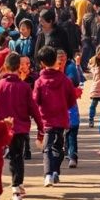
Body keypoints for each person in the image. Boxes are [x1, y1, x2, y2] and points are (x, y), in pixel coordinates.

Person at [0, 52, 43, 200]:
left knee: (6, 157)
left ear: (6, 66)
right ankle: (16, 187)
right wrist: (41, 127)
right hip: (20, 128)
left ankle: (14, 185)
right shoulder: (24, 87)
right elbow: (33, 108)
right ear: (18, 68)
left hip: (1, 127)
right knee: (17, 158)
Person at [33, 45, 77, 187]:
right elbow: (71, 101)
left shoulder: (39, 82)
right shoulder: (65, 80)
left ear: (42, 63)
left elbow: (35, 101)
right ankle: (55, 171)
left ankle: (48, 174)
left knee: (47, 148)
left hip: (46, 120)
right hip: (62, 119)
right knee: (59, 147)